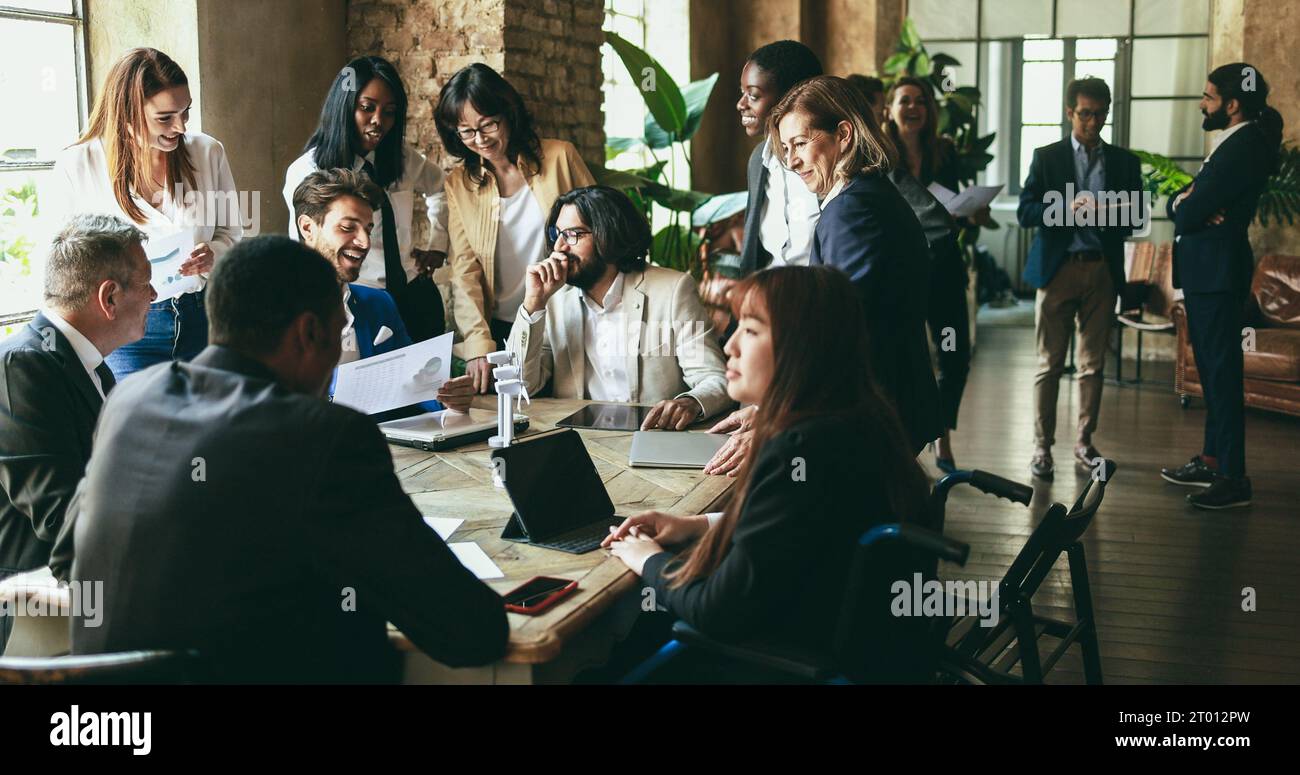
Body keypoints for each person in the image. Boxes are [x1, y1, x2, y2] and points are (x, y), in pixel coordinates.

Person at [66, 236, 509, 682]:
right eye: (337, 335)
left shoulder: (130, 400)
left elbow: (70, 552)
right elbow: (472, 631)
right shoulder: (325, 436)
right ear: (310, 332)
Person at [603, 266, 933, 672]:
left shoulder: (799, 445)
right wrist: (699, 524)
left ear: (803, 348)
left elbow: (715, 609)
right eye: (736, 327)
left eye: (752, 331)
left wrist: (646, 557)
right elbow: (813, 524)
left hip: (784, 655)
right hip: (861, 639)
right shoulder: (857, 416)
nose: (730, 346)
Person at [0, 215, 154, 649]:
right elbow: (59, 513)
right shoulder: (21, 367)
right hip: (28, 606)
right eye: (147, 283)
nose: (155, 296)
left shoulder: (89, 366)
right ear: (109, 297)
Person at [770, 75, 941, 455]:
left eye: (800, 143)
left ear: (843, 134)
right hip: (889, 407)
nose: (791, 160)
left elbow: (841, 327)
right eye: (786, 148)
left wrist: (776, 410)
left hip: (871, 414)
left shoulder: (852, 209)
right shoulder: (868, 193)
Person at [49, 47, 243, 379]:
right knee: (139, 428)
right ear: (126, 114)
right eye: (165, 117)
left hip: (207, 317)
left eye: (186, 112)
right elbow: (61, 263)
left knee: (212, 427)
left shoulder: (207, 152)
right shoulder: (78, 166)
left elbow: (233, 234)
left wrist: (215, 254)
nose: (180, 127)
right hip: (123, 331)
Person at [1160, 63, 1283, 510]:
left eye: (1209, 97)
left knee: (1222, 374)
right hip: (1208, 272)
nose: (1202, 104)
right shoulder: (1232, 141)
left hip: (1217, 272)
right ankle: (1213, 459)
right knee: (1212, 371)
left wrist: (1189, 205)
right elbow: (1182, 201)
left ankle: (1233, 477)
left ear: (1232, 105)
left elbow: (1190, 212)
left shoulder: (1243, 144)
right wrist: (1186, 202)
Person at [507, 186, 732, 429]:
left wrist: (690, 402)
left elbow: (714, 378)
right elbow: (520, 386)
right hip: (578, 439)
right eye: (557, 234)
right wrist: (532, 304)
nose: (559, 247)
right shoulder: (553, 299)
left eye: (573, 235)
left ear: (608, 234)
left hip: (651, 436)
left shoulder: (672, 290)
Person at [436, 63, 596, 393]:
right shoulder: (459, 185)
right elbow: (465, 271)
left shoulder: (560, 158)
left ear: (507, 113)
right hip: (504, 326)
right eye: (466, 132)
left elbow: (602, 229)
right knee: (514, 418)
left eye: (488, 125)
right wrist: (477, 343)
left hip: (567, 316)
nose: (479, 140)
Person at [1017, 77, 1143, 479]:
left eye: (1101, 112)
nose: (1094, 121)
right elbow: (1025, 212)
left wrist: (1111, 210)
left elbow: (1137, 217)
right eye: (1086, 113)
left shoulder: (1125, 161)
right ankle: (1041, 448)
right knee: (1049, 364)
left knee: (1092, 364)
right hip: (1057, 270)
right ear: (1069, 112)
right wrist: (1065, 208)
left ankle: (1085, 443)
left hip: (1102, 270)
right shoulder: (1046, 157)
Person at [284, 56, 449, 343]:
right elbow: (304, 251)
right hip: (358, 303)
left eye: (389, 112)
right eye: (367, 108)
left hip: (414, 296)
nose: (378, 121)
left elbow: (441, 188)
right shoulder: (308, 171)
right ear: (345, 106)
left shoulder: (401, 158)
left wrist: (438, 245)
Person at [291, 168, 475, 411]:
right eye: (348, 228)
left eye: (367, 229)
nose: (365, 242)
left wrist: (448, 399)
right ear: (307, 228)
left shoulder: (379, 303)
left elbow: (416, 388)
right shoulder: (271, 310)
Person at [880, 76, 972, 472]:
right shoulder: (881, 156)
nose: (913, 107)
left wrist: (971, 212)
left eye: (920, 101)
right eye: (904, 101)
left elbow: (953, 208)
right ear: (889, 110)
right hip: (902, 272)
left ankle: (942, 432)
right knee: (909, 358)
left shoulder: (945, 153)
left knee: (954, 357)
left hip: (946, 268)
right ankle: (908, 442)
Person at [736, 40, 825, 275]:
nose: (741, 104)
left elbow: (931, 223)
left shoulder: (839, 158)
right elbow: (754, 255)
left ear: (792, 97)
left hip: (826, 304)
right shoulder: (759, 161)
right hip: (769, 301)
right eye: (742, 93)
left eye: (753, 95)